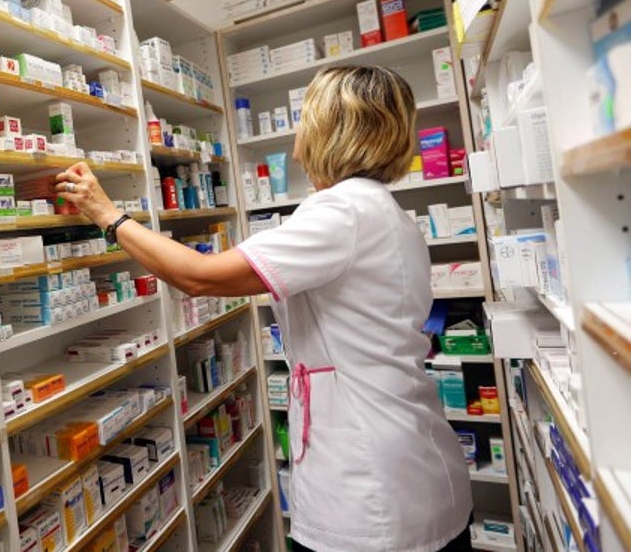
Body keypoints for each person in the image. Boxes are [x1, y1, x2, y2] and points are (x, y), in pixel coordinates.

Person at [55, 65, 473, 552]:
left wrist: (109, 215)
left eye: (306, 121)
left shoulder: (341, 211)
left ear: (331, 131)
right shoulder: (387, 212)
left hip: (371, 486)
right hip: (418, 460)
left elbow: (199, 276)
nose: (298, 141)